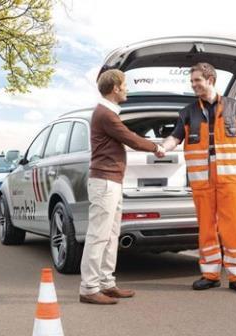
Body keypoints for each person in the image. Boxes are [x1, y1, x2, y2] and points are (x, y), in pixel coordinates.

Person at [158, 62, 236, 294]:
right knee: (207, 228)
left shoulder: (234, 107)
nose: (194, 85)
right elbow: (175, 137)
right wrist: (163, 147)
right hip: (202, 182)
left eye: (197, 80)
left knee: (233, 227)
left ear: (210, 79)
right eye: (192, 81)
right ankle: (210, 274)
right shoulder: (188, 112)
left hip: (229, 180)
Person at [79, 69, 165, 304]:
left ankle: (107, 283)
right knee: (98, 235)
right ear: (115, 88)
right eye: (125, 85)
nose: (127, 89)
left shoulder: (108, 113)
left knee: (111, 235)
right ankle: (89, 288)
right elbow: (131, 139)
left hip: (112, 181)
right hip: (104, 181)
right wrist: (156, 147)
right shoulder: (106, 114)